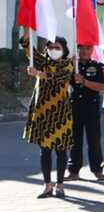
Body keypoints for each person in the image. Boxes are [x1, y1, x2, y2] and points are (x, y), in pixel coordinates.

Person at [22, 33, 74, 199]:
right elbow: (29, 48)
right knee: (44, 151)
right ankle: (47, 185)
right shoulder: (42, 61)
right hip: (42, 112)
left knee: (60, 151)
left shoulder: (67, 65)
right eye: (50, 47)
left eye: (57, 48)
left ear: (64, 50)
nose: (53, 50)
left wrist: (38, 73)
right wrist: (26, 30)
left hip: (60, 115)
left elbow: (56, 78)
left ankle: (60, 184)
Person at [65, 43, 104, 181]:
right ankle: (73, 171)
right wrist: (69, 64)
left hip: (91, 108)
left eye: (88, 48)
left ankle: (97, 169)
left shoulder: (96, 66)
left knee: (93, 140)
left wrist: (83, 81)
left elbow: (101, 86)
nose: (84, 51)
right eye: (81, 48)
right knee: (74, 141)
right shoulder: (71, 65)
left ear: (92, 50)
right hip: (75, 107)